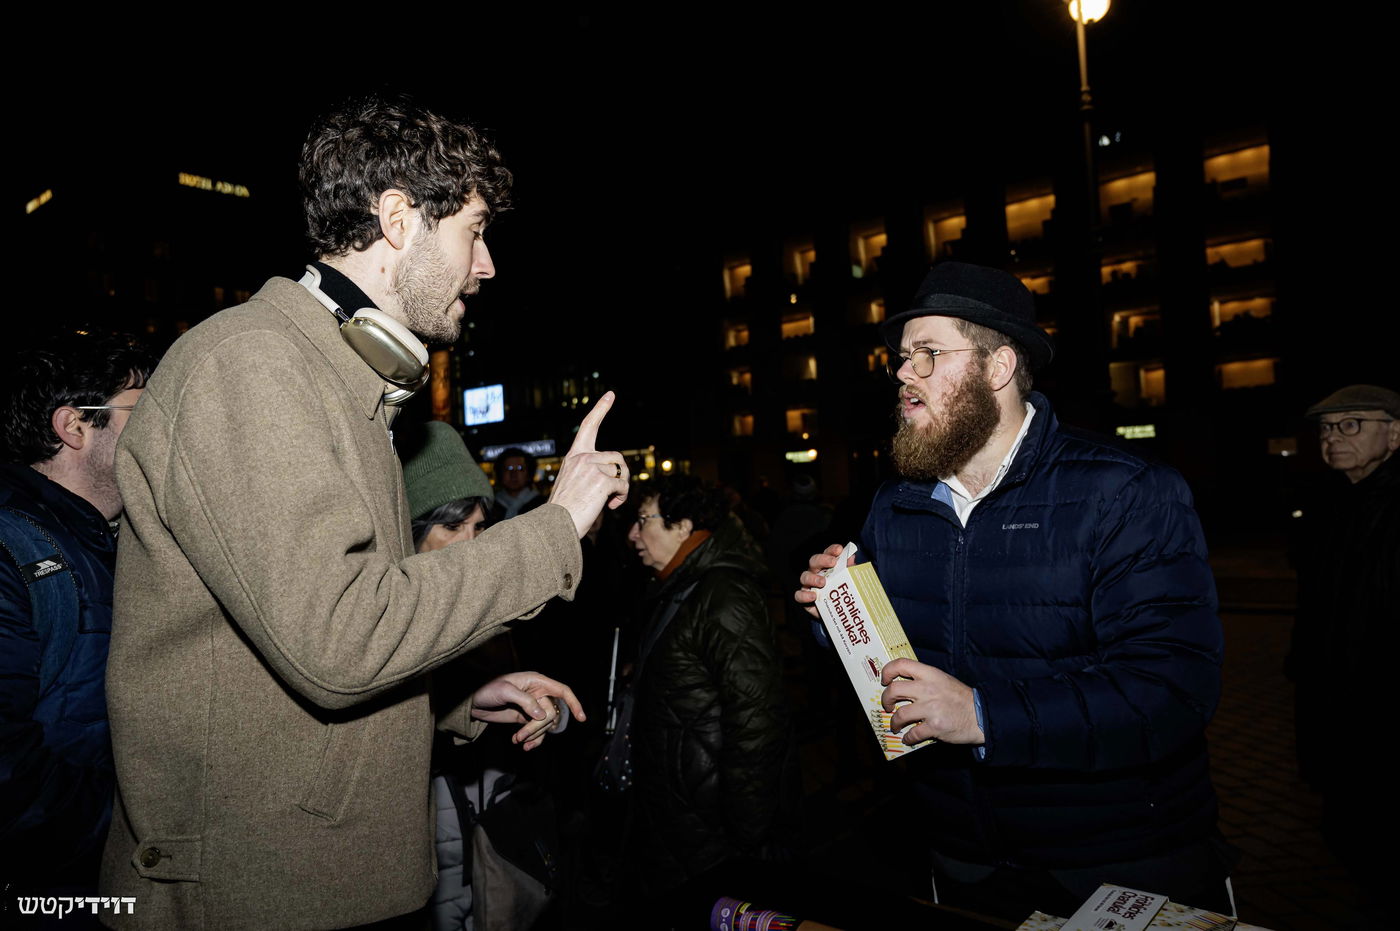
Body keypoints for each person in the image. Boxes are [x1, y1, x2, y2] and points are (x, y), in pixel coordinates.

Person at [100, 93, 628, 929]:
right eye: (475, 230)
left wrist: (459, 695)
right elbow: (339, 641)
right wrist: (554, 529)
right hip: (255, 898)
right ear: (396, 220)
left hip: (325, 886)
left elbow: (314, 639)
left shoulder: (346, 385)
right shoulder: (251, 369)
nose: (487, 265)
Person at [796, 261, 1230, 919]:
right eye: (900, 357)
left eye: (927, 354)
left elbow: (1170, 690)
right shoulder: (896, 504)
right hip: (964, 859)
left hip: (1119, 865)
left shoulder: (1125, 492)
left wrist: (983, 714)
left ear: (997, 367)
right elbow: (888, 664)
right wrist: (834, 611)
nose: (902, 372)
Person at [1, 334, 154, 909]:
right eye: (143, 408)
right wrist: (138, 830)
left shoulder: (106, 543)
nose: (164, 428)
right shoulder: (16, 550)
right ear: (74, 427)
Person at [609, 476, 791, 904]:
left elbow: (756, 721)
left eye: (642, 520)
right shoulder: (682, 587)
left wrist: (744, 831)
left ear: (684, 526)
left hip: (712, 826)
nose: (632, 534)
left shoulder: (724, 594)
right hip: (683, 815)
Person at [1289, 384, 1398, 913]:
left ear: (1395, 433)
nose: (1334, 437)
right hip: (1338, 696)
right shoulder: (1335, 503)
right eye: (1327, 428)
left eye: (1351, 424)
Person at [490, 447, 545, 522]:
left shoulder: (541, 505)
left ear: (528, 474)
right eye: (508, 468)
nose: (514, 474)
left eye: (520, 469)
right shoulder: (490, 507)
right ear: (500, 474)